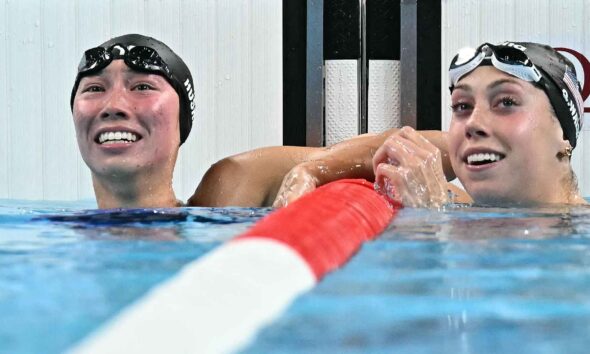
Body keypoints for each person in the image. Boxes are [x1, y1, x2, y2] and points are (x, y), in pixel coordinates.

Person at [71, 33, 454, 209]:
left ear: (182, 120)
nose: (114, 105)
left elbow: (427, 146)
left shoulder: (229, 191)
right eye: (93, 89)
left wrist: (313, 172)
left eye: (141, 87)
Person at [372, 41, 587, 207]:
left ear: (564, 135)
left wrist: (428, 223)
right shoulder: (445, 201)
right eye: (462, 106)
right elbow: (389, 147)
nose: (473, 123)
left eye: (506, 102)